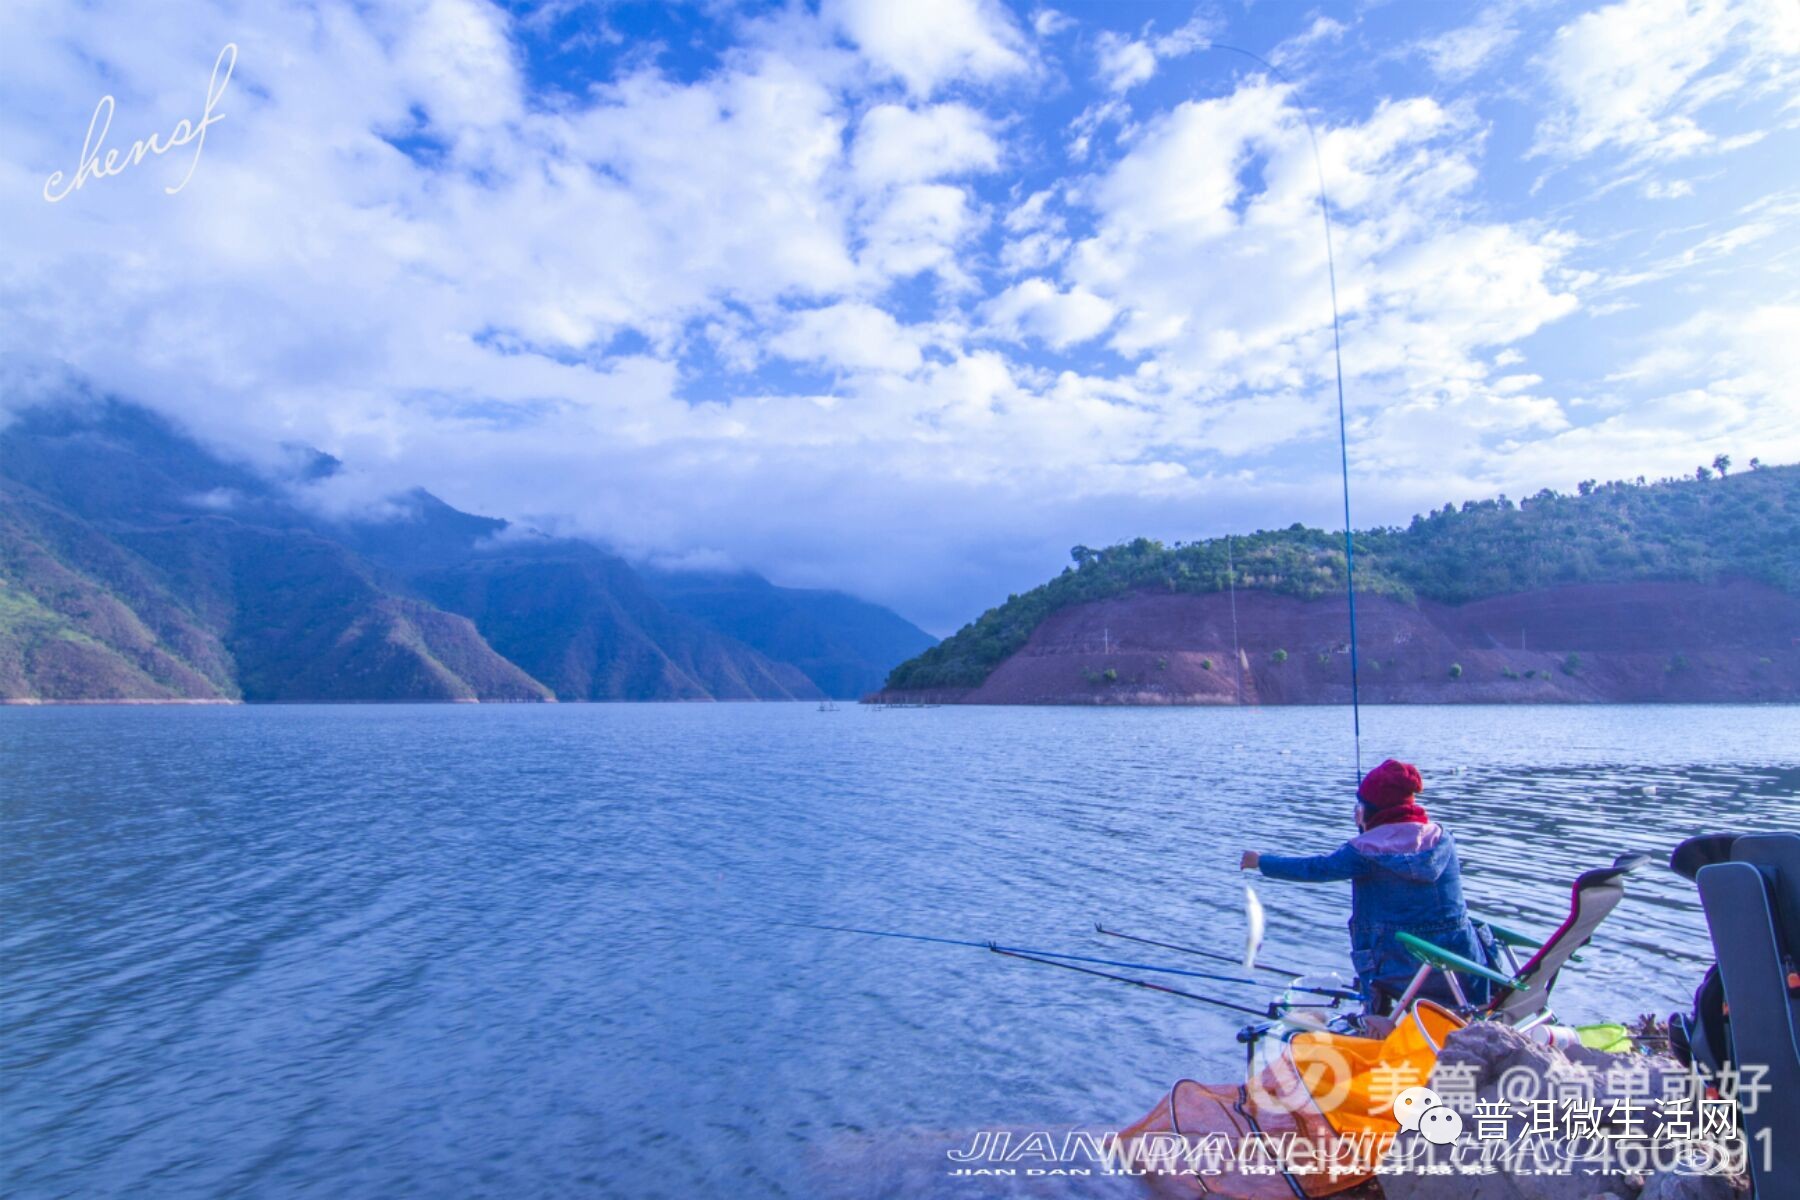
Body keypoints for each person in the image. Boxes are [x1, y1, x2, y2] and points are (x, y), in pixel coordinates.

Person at [1239, 758, 1490, 1014]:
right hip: (1464, 970)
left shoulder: (1364, 851)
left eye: (1361, 807)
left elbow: (1315, 868)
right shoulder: (1442, 838)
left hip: (1402, 975)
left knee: (1373, 947)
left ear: (1372, 810)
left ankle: (1374, 1017)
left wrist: (1261, 861)